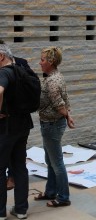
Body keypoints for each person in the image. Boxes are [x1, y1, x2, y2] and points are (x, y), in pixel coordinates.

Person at [34, 47, 74, 207]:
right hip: (52, 124)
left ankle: (64, 197)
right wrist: (68, 115)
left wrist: (67, 115)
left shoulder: (52, 81)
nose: (40, 62)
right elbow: (65, 100)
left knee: (56, 162)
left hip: (51, 125)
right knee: (50, 160)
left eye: (42, 60)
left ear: (50, 62)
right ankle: (51, 191)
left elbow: (59, 104)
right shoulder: (56, 76)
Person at [0, 41, 33, 219]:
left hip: (6, 128)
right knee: (20, 167)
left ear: (1, 56)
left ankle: (0, 213)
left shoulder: (4, 72)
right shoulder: (22, 66)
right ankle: (21, 210)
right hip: (24, 124)